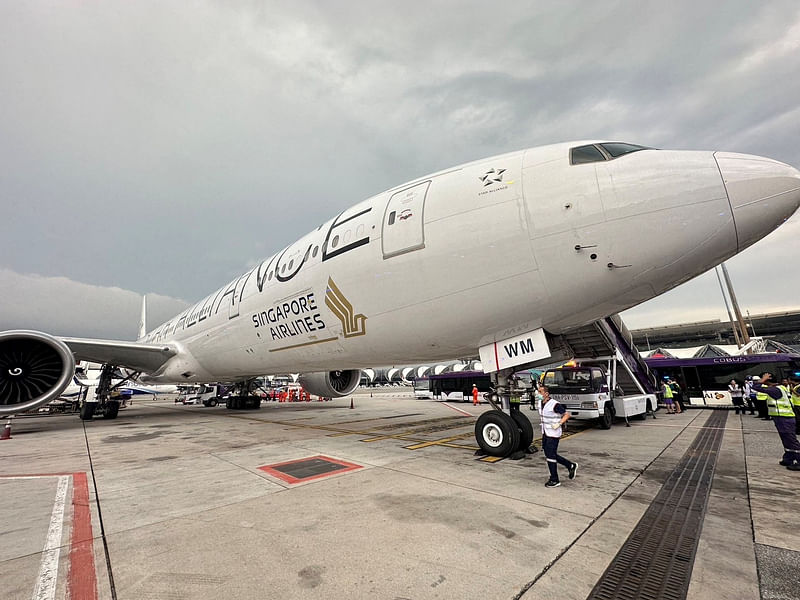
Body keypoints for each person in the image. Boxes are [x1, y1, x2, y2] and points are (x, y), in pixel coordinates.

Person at [752, 373, 800, 471]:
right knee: (786, 440)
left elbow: (755, 387)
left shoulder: (775, 389)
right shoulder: (780, 387)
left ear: (767, 380)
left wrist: (762, 380)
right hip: (781, 418)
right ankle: (789, 458)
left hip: (784, 418)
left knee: (791, 440)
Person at [538, 384, 578, 488]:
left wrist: (559, 423)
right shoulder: (540, 403)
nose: (538, 394)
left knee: (551, 455)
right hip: (545, 432)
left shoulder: (554, 404)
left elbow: (567, 414)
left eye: (540, 392)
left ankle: (554, 479)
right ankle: (570, 465)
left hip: (553, 433)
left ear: (546, 394)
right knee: (549, 454)